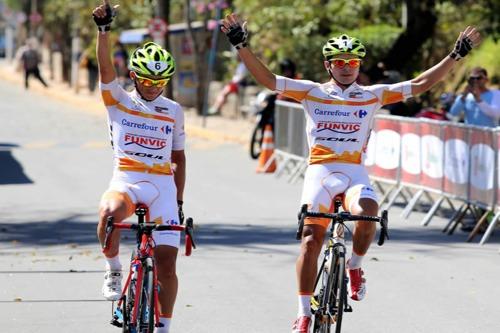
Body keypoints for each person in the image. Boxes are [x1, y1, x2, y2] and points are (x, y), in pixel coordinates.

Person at [220, 13, 481, 333]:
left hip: (354, 171)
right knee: (311, 238)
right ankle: (303, 311)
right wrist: (242, 47)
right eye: (340, 61)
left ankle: (355, 267)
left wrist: (456, 55)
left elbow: (419, 84)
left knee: (369, 213)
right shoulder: (311, 92)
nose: (347, 66)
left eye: (353, 61)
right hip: (321, 170)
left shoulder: (372, 94)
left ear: (359, 66)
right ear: (328, 65)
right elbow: (269, 80)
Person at [93, 2, 186, 332]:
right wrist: (104, 33)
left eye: (160, 81)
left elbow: (179, 158)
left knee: (167, 265)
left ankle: (164, 326)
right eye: (146, 80)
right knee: (108, 213)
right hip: (127, 181)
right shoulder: (118, 100)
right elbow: (105, 70)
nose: (152, 86)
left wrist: (178, 203)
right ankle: (114, 268)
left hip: (162, 186)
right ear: (134, 76)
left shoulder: (173, 110)